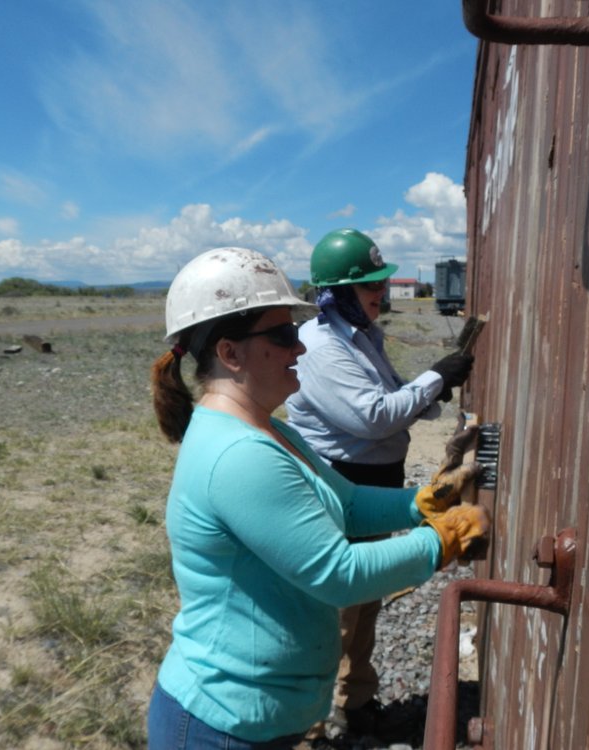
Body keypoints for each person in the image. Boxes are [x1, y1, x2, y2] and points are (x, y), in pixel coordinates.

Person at [146, 246, 490, 749]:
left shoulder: (271, 432)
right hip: (221, 726)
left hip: (255, 718)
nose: (300, 348)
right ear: (230, 353)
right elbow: (337, 575)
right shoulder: (239, 453)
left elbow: (346, 504)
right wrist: (442, 540)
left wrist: (420, 504)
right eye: (284, 335)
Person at [283, 228, 474, 737]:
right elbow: (373, 416)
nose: (380, 292)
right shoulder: (319, 347)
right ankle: (309, 726)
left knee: (362, 602)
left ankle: (356, 701)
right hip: (342, 488)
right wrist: (435, 377)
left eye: (380, 283)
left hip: (373, 485)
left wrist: (433, 390)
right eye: (368, 284)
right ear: (338, 293)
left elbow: (392, 396)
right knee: (338, 609)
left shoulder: (363, 337)